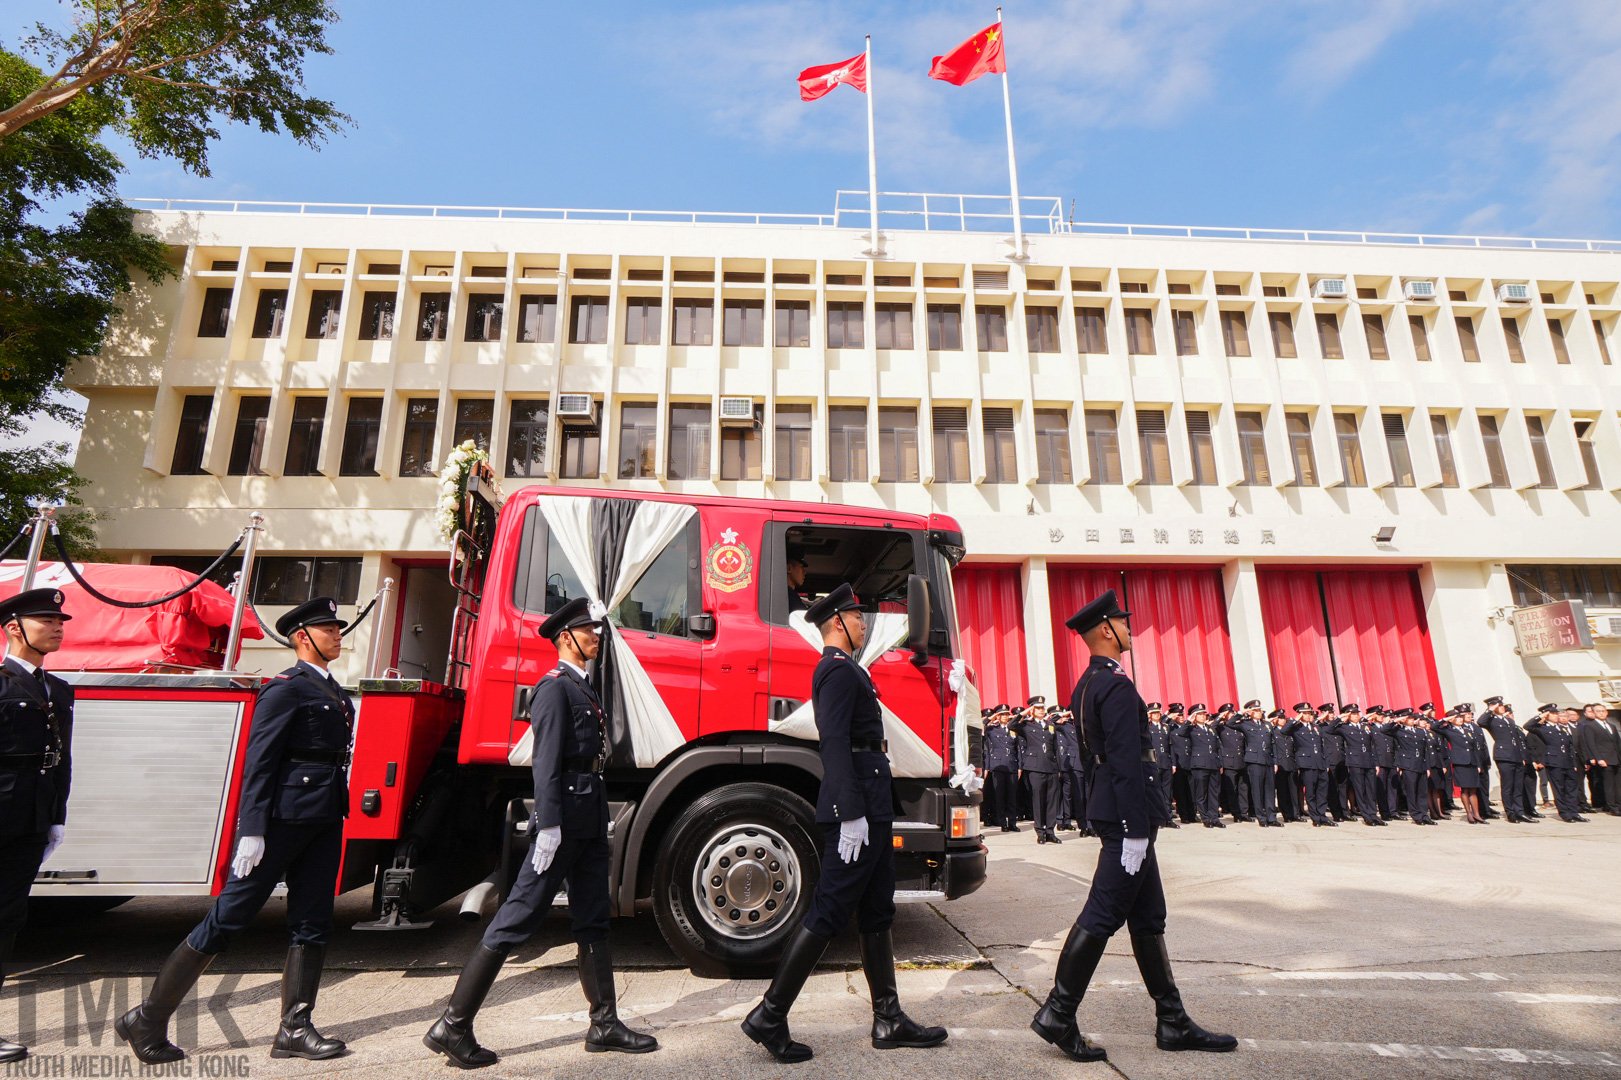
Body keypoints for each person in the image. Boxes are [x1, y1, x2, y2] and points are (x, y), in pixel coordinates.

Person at [118, 597, 354, 1064]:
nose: (337, 635)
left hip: (324, 817)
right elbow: (259, 762)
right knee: (230, 916)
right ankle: (148, 1017)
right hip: (282, 819)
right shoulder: (286, 688)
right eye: (329, 629)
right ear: (303, 637)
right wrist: (252, 829)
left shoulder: (332, 691)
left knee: (312, 921)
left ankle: (294, 1027)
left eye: (338, 629)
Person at [424, 596, 656, 1068]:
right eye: (588, 631)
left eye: (596, 630)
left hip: (587, 818)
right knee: (517, 916)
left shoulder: (582, 688)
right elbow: (546, 763)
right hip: (563, 822)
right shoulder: (554, 689)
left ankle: (604, 1022)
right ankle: (453, 1023)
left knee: (593, 918)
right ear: (566, 637)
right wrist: (547, 824)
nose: (596, 636)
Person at [1030, 589, 1235, 1063]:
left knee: (1148, 916)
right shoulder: (1116, 685)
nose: (1129, 628)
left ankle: (1172, 1020)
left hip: (1118, 809)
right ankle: (1058, 1012)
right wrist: (1134, 827)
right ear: (1106, 629)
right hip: (1129, 814)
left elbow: (1092, 760)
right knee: (1103, 914)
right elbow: (1124, 760)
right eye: (1122, 621)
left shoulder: (1087, 684)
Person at [743, 584, 944, 1063]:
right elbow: (833, 743)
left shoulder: (851, 670)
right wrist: (851, 814)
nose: (862, 624)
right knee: (830, 911)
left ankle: (889, 1018)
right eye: (857, 617)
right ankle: (770, 1014)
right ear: (837, 622)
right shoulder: (835, 671)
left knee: (877, 910)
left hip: (870, 804)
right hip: (854, 808)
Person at [0, 589, 75, 1065]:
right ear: (13, 627)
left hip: (30, 821)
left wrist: (56, 817)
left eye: (60, 620)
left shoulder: (58, 689)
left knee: (7, 920)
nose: (58, 627)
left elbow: (62, 759)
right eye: (46, 619)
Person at [1014, 696, 1064, 844]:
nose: (1041, 710)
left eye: (1043, 707)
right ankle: (1040, 832)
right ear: (1032, 709)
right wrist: (1025, 713)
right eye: (1038, 708)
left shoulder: (1050, 725)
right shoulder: (1027, 725)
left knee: (1051, 800)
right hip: (1035, 767)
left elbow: (1055, 747)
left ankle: (1050, 831)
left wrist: (1059, 767)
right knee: (1038, 799)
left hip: (1051, 766)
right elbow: (1012, 725)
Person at [1527, 706, 1587, 823]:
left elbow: (1570, 747)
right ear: (1547, 715)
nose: (1556, 716)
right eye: (1553, 714)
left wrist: (1573, 762)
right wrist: (1541, 716)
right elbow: (1528, 726)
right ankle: (1565, 813)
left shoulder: (1562, 728)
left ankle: (1574, 812)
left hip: (1568, 762)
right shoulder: (1542, 728)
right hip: (1554, 762)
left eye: (1556, 713)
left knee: (1572, 788)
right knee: (1559, 789)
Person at [1478, 697, 1533, 822]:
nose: (1503, 707)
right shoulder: (1491, 720)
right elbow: (1480, 722)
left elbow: (1517, 739)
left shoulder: (1509, 721)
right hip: (1504, 755)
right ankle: (1511, 813)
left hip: (1516, 756)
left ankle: (1519, 811)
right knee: (1508, 786)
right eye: (1500, 705)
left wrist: (1522, 756)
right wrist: (1490, 709)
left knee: (1518, 786)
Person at [1329, 704, 1385, 827]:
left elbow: (1372, 746)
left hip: (1369, 761)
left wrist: (1376, 763)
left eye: (1357, 714)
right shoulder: (1344, 727)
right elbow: (1329, 730)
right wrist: (1340, 717)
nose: (1356, 716)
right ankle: (1366, 816)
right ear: (1349, 716)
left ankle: (1373, 815)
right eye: (1353, 714)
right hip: (1355, 762)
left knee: (1371, 790)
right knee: (1360, 790)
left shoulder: (1365, 727)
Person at [1282, 703, 1334, 827]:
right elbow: (1284, 731)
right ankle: (1315, 817)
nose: (1307, 715)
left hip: (1320, 763)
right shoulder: (1296, 727)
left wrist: (1326, 763)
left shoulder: (1316, 727)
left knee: (1322, 791)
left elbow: (1323, 746)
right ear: (1300, 714)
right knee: (1310, 792)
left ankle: (1322, 816)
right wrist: (1296, 719)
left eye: (1309, 713)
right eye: (1304, 713)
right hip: (1307, 764)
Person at [1379, 710, 1434, 826]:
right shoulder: (1398, 730)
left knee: (1422, 792)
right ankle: (1416, 815)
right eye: (1409, 718)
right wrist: (1397, 721)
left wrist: (1428, 766)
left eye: (1413, 718)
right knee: (1411, 791)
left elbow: (1426, 751)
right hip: (1408, 765)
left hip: (1421, 764)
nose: (1412, 720)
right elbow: (1383, 730)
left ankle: (1424, 815)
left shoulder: (1420, 732)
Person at [1438, 705, 1489, 824]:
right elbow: (1436, 727)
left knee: (1473, 789)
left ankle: (1477, 814)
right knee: (1465, 790)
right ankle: (1469, 814)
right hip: (1460, 763)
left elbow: (1474, 748)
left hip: (1472, 762)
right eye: (1457, 718)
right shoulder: (1448, 730)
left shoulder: (1468, 730)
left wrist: (1478, 764)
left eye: (1461, 717)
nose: (1460, 719)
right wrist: (1446, 719)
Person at [1234, 702, 1278, 827]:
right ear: (1251, 712)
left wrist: (1275, 761)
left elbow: (1273, 743)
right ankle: (1261, 818)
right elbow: (1230, 723)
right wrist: (1241, 713)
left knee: (1269, 790)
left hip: (1268, 760)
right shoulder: (1245, 724)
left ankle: (1271, 817)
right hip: (1254, 761)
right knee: (1257, 790)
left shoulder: (1267, 725)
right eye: (1256, 710)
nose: (1259, 712)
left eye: (1260, 710)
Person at [1181, 705, 1223, 828]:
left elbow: (1217, 747)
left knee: (1214, 793)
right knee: (1201, 793)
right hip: (1199, 764)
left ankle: (1214, 818)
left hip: (1213, 764)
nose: (1203, 716)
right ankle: (1205, 818)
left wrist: (1219, 763)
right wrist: (1189, 720)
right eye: (1199, 714)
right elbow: (1179, 733)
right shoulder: (1191, 729)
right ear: (1194, 716)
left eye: (1204, 714)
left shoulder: (1210, 729)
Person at [1577, 703, 1621, 816]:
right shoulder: (1590, 726)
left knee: (1618, 784)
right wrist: (1598, 758)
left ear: (1607, 712)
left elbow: (1617, 743)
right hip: (1604, 759)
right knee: (1608, 784)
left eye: (1603, 711)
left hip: (1616, 758)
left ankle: (1619, 804)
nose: (1601, 713)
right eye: (1598, 711)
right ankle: (1612, 806)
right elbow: (1591, 744)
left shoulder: (1612, 726)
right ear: (1594, 713)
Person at [983, 705, 1021, 832]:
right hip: (998, 766)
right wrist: (993, 717)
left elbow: (1018, 749)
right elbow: (981, 725)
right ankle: (1002, 822)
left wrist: (1020, 766)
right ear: (998, 717)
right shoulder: (992, 730)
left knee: (1012, 797)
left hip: (1012, 765)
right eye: (1002, 714)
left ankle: (1012, 823)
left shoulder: (1013, 729)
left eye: (1006, 714)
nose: (1005, 716)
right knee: (999, 796)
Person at [1055, 706, 1089, 833]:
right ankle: (1083, 826)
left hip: (1089, 763)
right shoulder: (1066, 726)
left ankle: (1091, 825)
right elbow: (1051, 721)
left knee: (1089, 796)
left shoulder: (1087, 723)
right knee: (1079, 797)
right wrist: (1067, 714)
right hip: (1075, 765)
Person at [1146, 704, 1178, 830]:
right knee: (1155, 793)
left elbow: (1170, 746)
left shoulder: (1165, 727)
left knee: (1167, 792)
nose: (1156, 715)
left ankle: (1168, 818)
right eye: (1153, 713)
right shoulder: (1146, 727)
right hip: (1154, 762)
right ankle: (1157, 818)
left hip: (1166, 763)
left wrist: (1173, 763)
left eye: (1158, 713)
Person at [1271, 708, 1300, 823]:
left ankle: (1296, 813)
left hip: (1291, 763)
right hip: (1281, 765)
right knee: (1283, 791)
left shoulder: (1290, 732)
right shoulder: (1273, 732)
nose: (1283, 720)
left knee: (1293, 790)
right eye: (1281, 718)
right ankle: (1286, 814)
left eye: (1284, 718)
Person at [785, 548, 811, 613]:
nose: (805, 572)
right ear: (789, 568)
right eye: (801, 567)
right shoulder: (789, 596)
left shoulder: (787, 594)